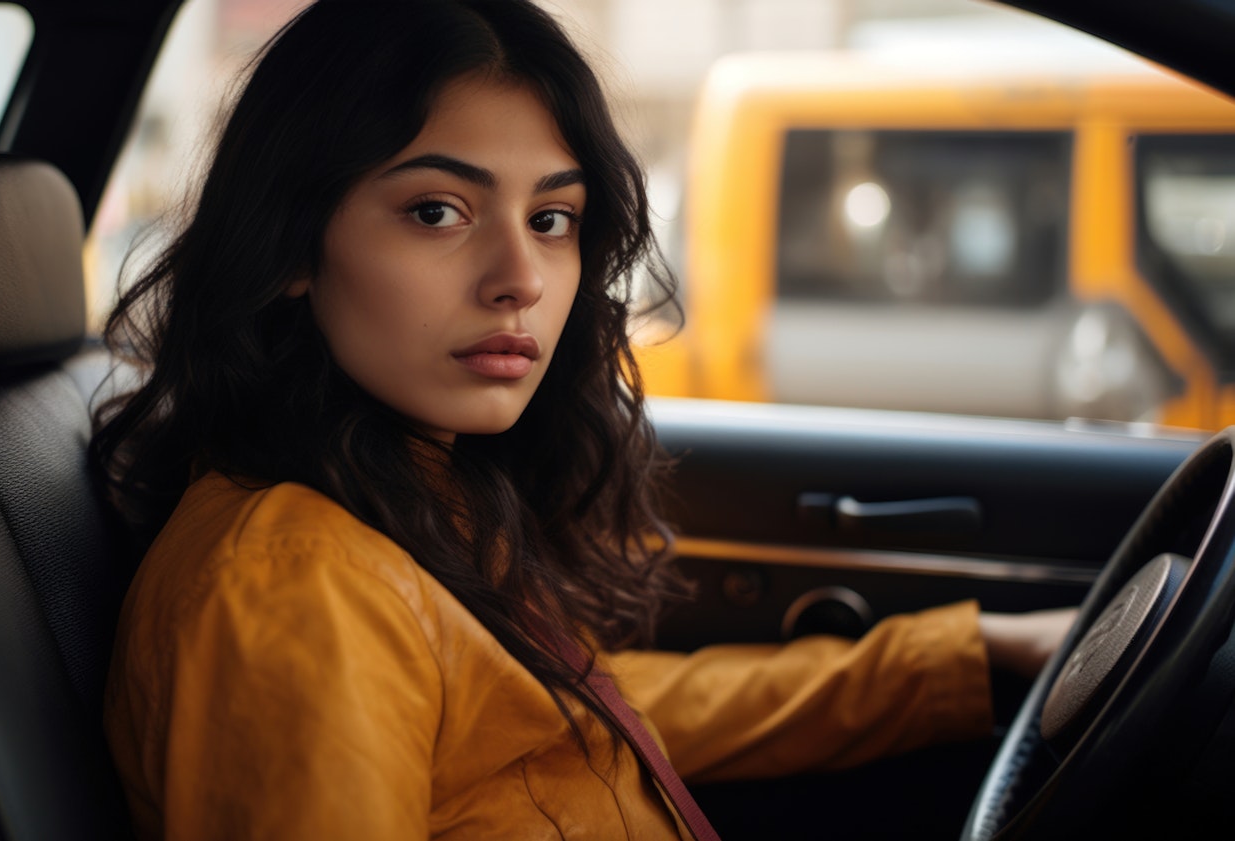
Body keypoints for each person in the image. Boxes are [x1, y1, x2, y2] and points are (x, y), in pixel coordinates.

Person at [92, 1, 1074, 838]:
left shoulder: (405, 491)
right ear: (290, 245)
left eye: (552, 219)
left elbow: (599, 715)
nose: (521, 279)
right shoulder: (299, 580)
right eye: (438, 211)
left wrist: (970, 654)